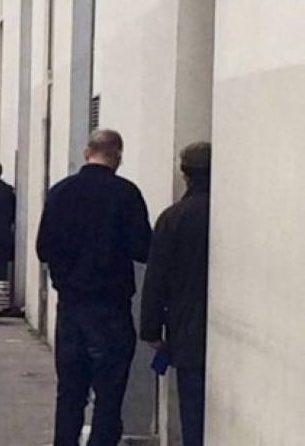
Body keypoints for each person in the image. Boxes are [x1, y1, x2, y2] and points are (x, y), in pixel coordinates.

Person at [36, 130, 152, 446]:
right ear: (118, 155)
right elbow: (143, 247)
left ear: (87, 152)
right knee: (109, 392)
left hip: (71, 305)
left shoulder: (61, 192)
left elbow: (44, 248)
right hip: (111, 306)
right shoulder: (126, 194)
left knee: (70, 390)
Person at [140, 142, 211, 446]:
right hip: (218, 325)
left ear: (185, 174)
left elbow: (157, 277)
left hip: (187, 327)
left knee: (193, 409)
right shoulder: (235, 214)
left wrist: (151, 329)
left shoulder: (174, 217)